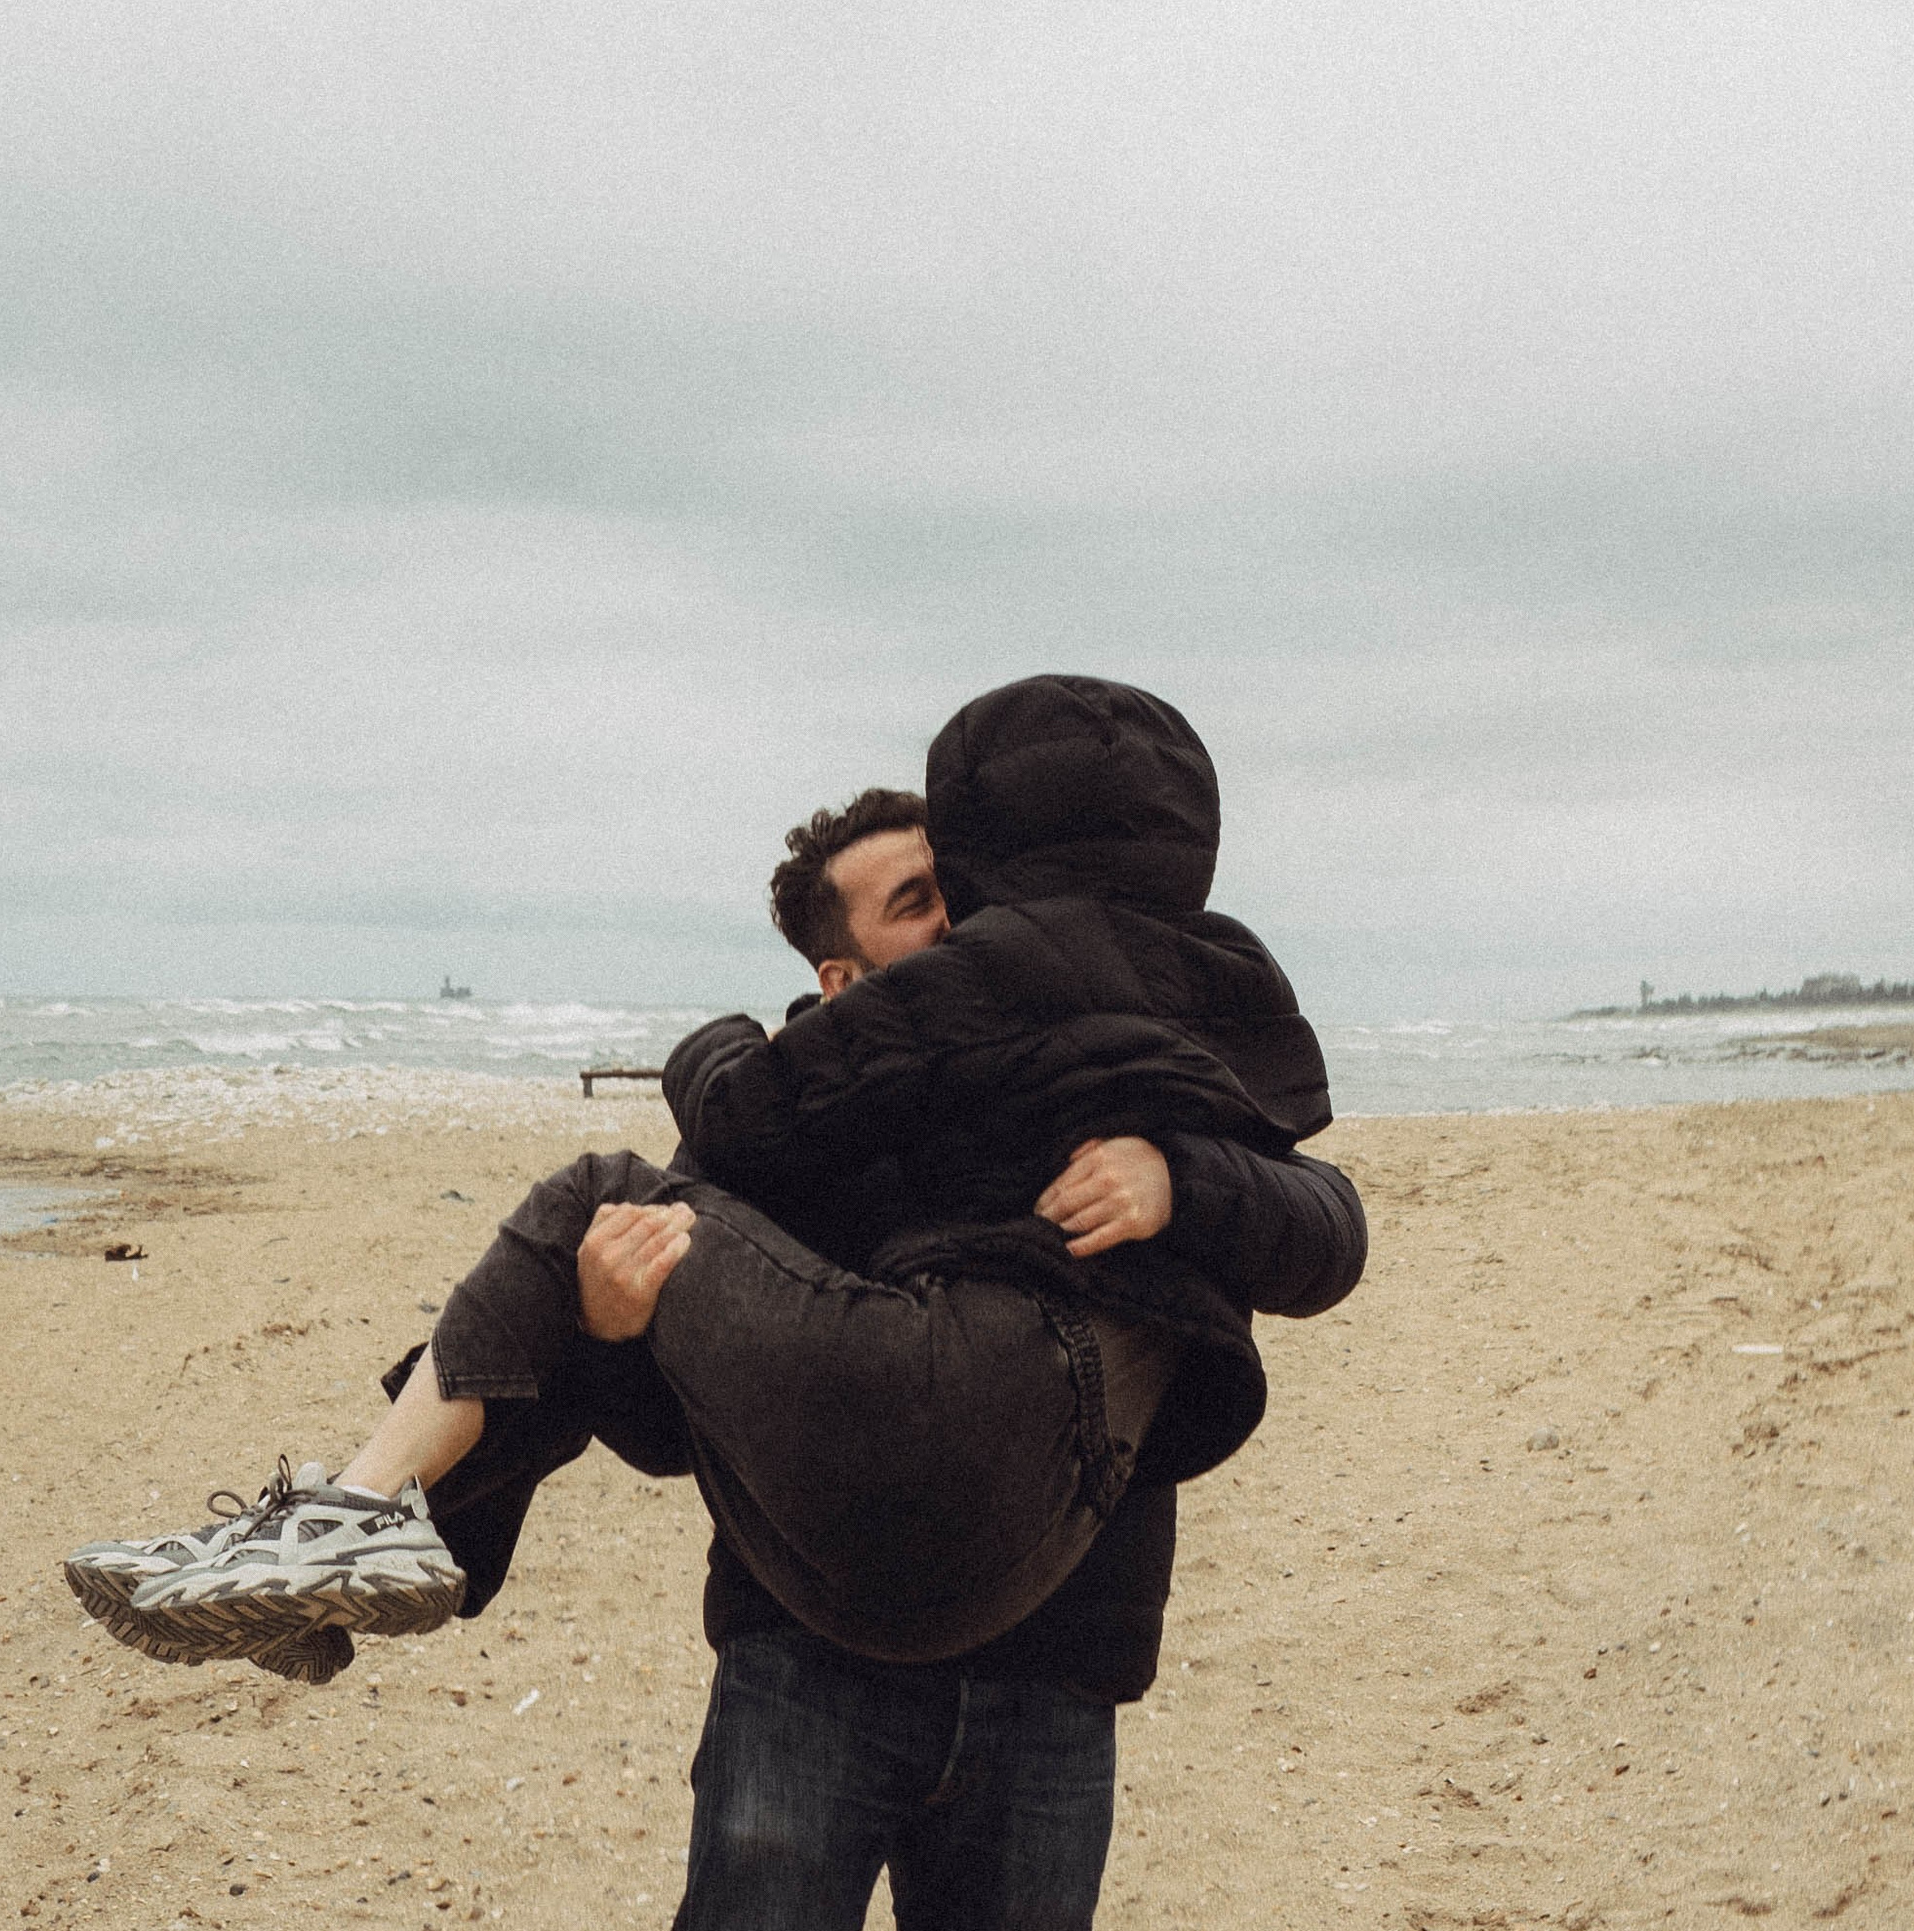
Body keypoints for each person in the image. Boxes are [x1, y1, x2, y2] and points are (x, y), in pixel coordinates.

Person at [68, 679, 1333, 1674]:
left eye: (958, 888)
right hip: (841, 1602)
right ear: (839, 977)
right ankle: (345, 1573)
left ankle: (355, 1520)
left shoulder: (1054, 1012)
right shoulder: (1178, 995)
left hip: (1042, 1593)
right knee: (597, 1267)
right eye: (920, 904)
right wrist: (614, 1320)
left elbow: (1329, 1223)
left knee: (594, 1193)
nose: (960, 927)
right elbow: (682, 1422)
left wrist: (1178, 1179)